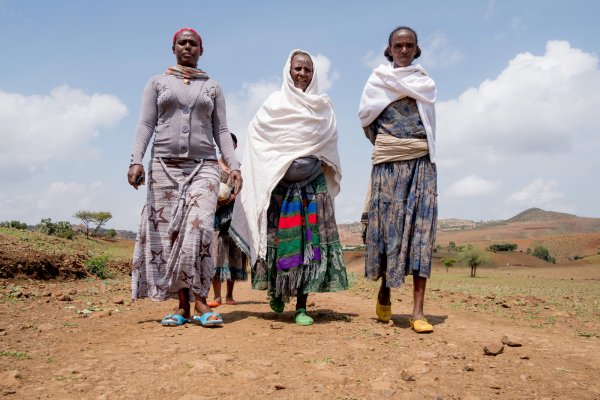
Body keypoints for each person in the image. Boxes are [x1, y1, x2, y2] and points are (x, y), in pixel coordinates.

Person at [127, 27, 242, 327]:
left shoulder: (213, 86)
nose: (188, 47)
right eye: (182, 43)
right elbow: (145, 123)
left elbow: (221, 130)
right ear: (174, 47)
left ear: (201, 50)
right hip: (164, 167)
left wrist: (234, 166)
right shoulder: (157, 83)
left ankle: (201, 300)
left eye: (193, 44)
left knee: (200, 228)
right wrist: (135, 160)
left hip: (203, 166)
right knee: (172, 235)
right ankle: (182, 306)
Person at [230, 50, 347, 326]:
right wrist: (271, 168)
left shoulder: (323, 107)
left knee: (310, 245)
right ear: (288, 70)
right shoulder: (274, 104)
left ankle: (302, 307)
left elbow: (329, 145)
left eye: (308, 70)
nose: (302, 74)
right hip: (280, 187)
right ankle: (277, 292)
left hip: (312, 187)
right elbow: (256, 136)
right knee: (278, 242)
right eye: (298, 68)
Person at [358, 26, 437, 333]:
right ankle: (385, 289)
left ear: (416, 50)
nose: (404, 50)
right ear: (389, 50)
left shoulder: (425, 83)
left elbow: (429, 125)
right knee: (387, 230)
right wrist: (390, 146)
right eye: (398, 45)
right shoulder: (377, 81)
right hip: (388, 166)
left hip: (422, 163)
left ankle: (418, 311)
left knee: (422, 232)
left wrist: (410, 146)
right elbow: (367, 121)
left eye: (409, 45)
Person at [208, 132, 248, 307]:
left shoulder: (240, 168)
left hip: (234, 216)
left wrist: (233, 197)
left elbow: (246, 190)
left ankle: (230, 295)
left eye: (231, 145)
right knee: (216, 254)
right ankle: (216, 296)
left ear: (235, 147)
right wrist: (219, 199)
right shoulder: (212, 167)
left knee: (233, 253)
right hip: (215, 215)